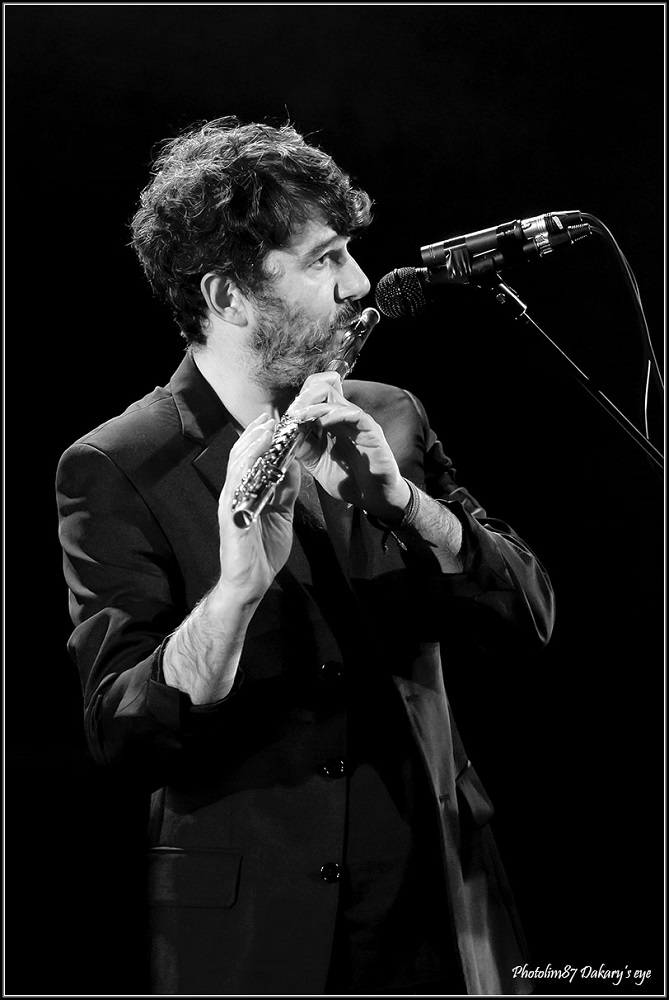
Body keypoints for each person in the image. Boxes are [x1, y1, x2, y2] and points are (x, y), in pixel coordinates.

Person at [56, 116, 555, 996]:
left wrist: (411, 509)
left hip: (444, 906)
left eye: (347, 253)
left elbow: (530, 616)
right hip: (260, 939)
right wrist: (235, 592)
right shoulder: (118, 464)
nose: (358, 284)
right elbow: (124, 735)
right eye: (324, 259)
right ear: (227, 296)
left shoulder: (389, 414)